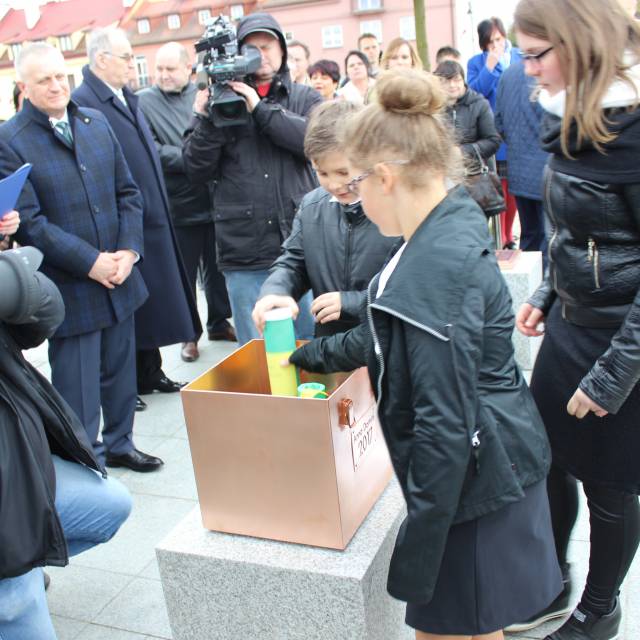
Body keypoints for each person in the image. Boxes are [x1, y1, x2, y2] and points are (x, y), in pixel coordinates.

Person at [289, 68, 561, 640]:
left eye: (357, 183)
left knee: (452, 630)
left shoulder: (434, 265)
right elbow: (390, 335)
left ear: (384, 177)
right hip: (482, 468)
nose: (354, 198)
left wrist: (420, 544)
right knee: (472, 625)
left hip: (478, 481)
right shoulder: (441, 224)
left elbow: (445, 425)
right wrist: (312, 354)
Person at [514, 2, 640, 639]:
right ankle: (548, 581)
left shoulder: (635, 128)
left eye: (538, 53)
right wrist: (547, 290)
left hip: (624, 344)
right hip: (572, 326)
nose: (529, 69)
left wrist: (612, 376)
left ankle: (600, 609)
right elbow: (580, 232)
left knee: (611, 486)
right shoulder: (569, 116)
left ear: (579, 43)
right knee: (549, 461)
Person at [0, 43, 163, 472]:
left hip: (120, 275)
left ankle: (122, 442)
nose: (56, 86)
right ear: (24, 87)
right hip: (71, 284)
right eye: (44, 80)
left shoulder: (96, 122)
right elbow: (30, 222)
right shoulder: (11, 139)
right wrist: (92, 262)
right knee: (78, 385)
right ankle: (85, 458)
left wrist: (128, 251)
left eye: (60, 77)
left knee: (120, 373)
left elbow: (128, 192)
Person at [0, 244, 133, 640]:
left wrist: (13, 267)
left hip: (14, 456)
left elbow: (43, 316)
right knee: (16, 605)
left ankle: (26, 562)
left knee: (110, 504)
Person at [73, 27, 200, 406]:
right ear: (101, 60)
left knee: (156, 300)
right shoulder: (86, 102)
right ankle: (130, 381)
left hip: (152, 213)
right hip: (122, 223)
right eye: (127, 57)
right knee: (134, 306)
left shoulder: (124, 96)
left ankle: (151, 370)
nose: (133, 64)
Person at [182, 12, 322, 346]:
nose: (262, 54)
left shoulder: (304, 97)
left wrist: (259, 108)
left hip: (300, 245)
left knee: (308, 347)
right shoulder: (216, 102)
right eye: (253, 47)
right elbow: (195, 168)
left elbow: (314, 142)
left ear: (283, 51)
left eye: (269, 45)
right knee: (258, 353)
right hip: (244, 252)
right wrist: (205, 119)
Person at [252, 99, 398, 337]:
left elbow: (410, 288)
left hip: (385, 341)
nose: (334, 184)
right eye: (322, 173)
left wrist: (351, 303)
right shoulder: (312, 205)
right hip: (331, 344)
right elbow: (294, 261)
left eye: (343, 172)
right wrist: (276, 290)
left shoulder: (394, 208)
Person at [137, 41, 235, 363]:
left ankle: (219, 322)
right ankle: (189, 334)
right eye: (159, 69)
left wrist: (203, 159)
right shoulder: (143, 102)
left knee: (218, 268)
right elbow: (151, 149)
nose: (163, 75)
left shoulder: (203, 94)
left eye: (170, 69)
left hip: (214, 196)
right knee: (185, 274)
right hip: (177, 202)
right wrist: (193, 159)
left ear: (188, 69)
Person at [467, 17, 522, 249]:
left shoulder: (519, 56)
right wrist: (489, 66)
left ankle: (509, 235)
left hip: (517, 133)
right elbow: (475, 91)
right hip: (492, 134)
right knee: (496, 187)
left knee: (514, 189)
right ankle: (500, 236)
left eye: (499, 39)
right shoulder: (476, 62)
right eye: (490, 42)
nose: (496, 45)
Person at [495, 60, 549, 254]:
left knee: (529, 235)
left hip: (517, 169)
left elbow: (498, 122)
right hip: (546, 170)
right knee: (548, 239)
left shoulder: (508, 74)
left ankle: (529, 283)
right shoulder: (547, 70)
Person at [433, 60, 501, 175]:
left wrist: (462, 152)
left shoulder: (479, 104)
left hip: (473, 174)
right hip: (441, 175)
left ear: (463, 80)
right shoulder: (433, 107)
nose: (452, 85)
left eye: (456, 80)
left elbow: (493, 141)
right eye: (446, 81)